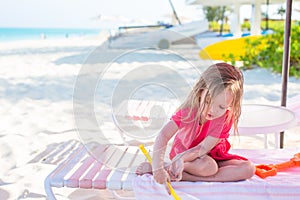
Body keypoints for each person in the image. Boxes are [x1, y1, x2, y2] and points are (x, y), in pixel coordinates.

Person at [136, 63, 255, 188]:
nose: (212, 110)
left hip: (210, 154)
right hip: (187, 156)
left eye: (221, 107)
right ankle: (174, 168)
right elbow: (164, 135)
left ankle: (179, 174)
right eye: (208, 101)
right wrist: (157, 167)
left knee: (248, 169)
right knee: (210, 167)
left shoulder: (225, 117)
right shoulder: (188, 112)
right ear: (200, 91)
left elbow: (203, 148)